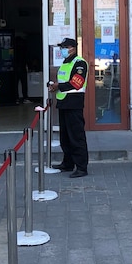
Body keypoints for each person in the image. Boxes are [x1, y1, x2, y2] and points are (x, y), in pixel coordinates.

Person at [48, 37, 89, 178]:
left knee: (76, 136)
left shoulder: (80, 63)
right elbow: (63, 81)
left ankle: (82, 167)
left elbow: (77, 83)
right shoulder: (65, 63)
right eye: (62, 47)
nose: (62, 50)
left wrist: (58, 86)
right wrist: (54, 86)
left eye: (65, 47)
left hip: (74, 103)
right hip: (63, 102)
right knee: (65, 137)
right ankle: (68, 163)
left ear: (72, 48)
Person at [14, 35, 30, 104]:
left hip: (15, 68)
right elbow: (26, 58)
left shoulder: (14, 48)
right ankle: (25, 98)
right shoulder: (24, 48)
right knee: (24, 84)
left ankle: (16, 99)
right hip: (22, 67)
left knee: (15, 84)